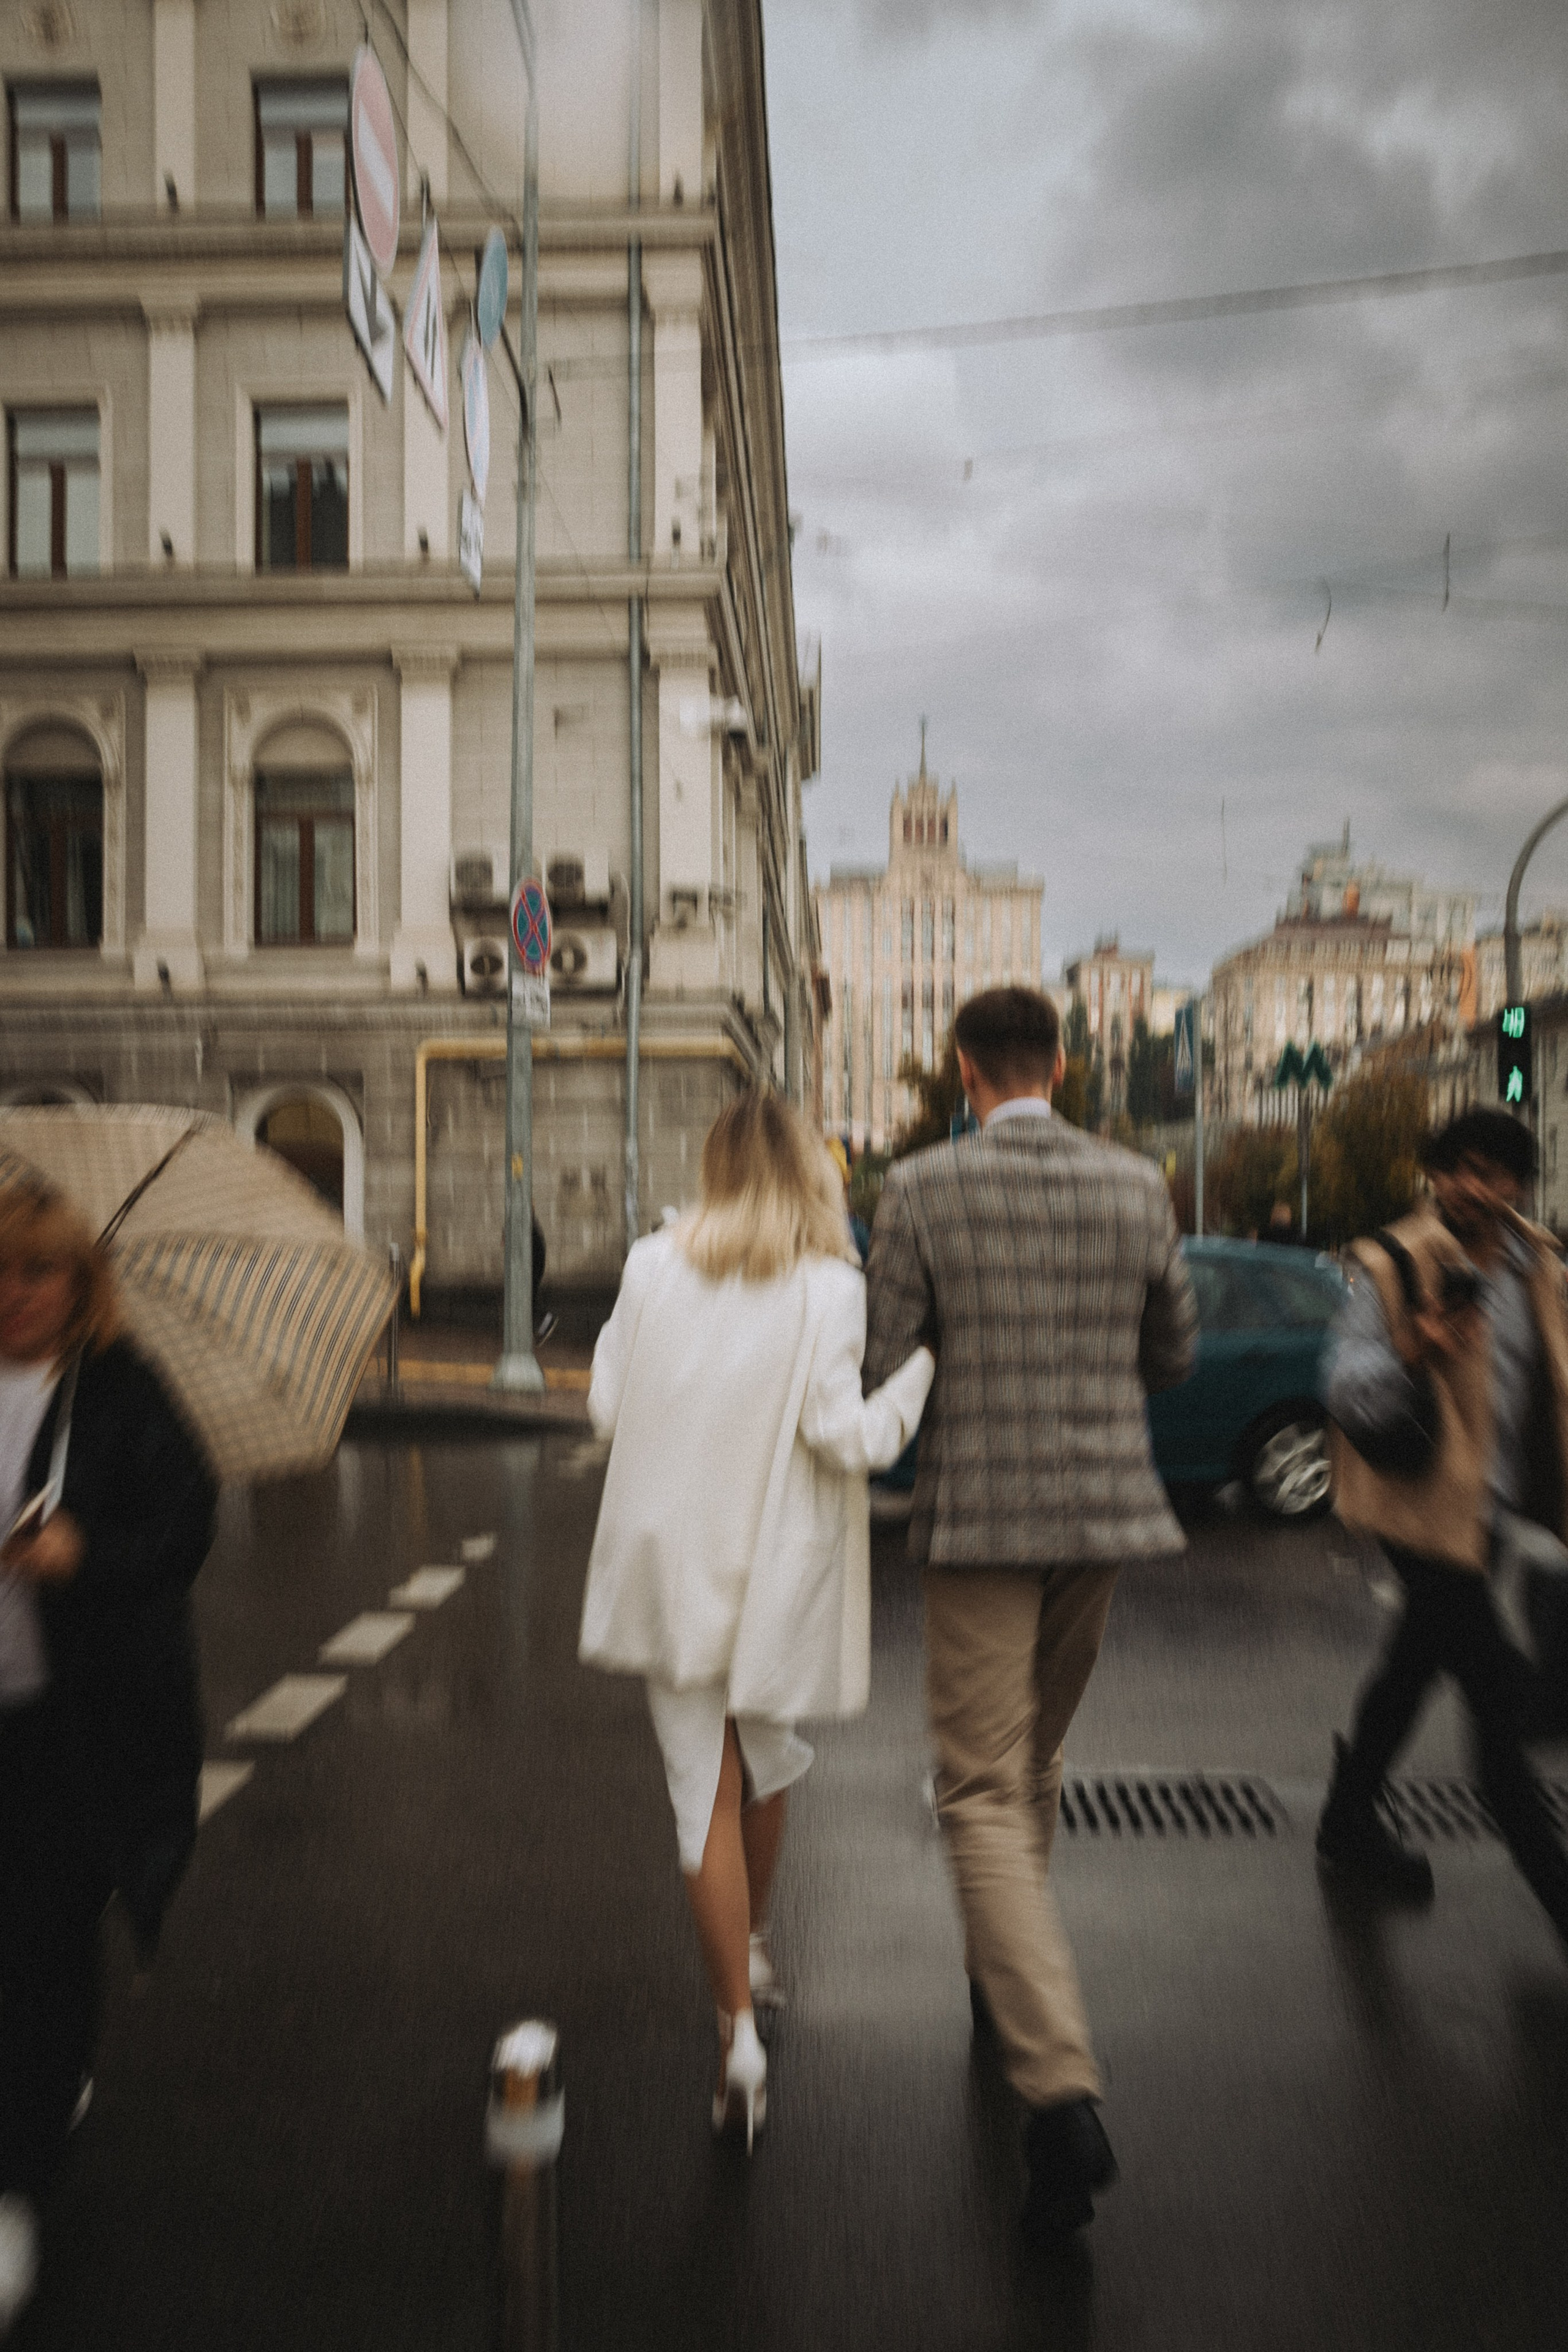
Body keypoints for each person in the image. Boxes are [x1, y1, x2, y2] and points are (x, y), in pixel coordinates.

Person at [863, 986, 1197, 2245]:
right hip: (1100, 1518)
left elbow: (882, 1359)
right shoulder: (1134, 1185)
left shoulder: (919, 1191)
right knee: (1034, 1761)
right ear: (1059, 1064)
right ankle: (1000, 1974)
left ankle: (1053, 2084)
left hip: (983, 1523)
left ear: (963, 1071)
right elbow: (1171, 1357)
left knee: (977, 1791)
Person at [579, 1091, 934, 2152]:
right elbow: (847, 1438)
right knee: (770, 1760)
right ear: (813, 1175)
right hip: (774, 1571)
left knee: (707, 1795)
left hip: (668, 1566)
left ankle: (737, 2030)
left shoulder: (650, 1264)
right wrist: (919, 1375)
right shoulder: (833, 1287)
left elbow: (605, 1405)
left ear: (715, 1165)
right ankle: (755, 1949)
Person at [0, 1184, 217, 2338]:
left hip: (65, 1727)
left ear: (82, 1284)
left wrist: (85, 1552)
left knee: (38, 1945)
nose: (15, 1294)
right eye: (0, 1272)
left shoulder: (118, 1393)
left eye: (38, 1273)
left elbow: (186, 1525)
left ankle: (19, 2182)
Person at [1318, 1108, 1568, 1944]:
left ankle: (1348, 1817)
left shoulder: (1542, 1266)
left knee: (1412, 1666)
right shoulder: (1392, 1261)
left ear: (1518, 1185)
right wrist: (1413, 1348)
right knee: (1498, 1707)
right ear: (1435, 1174)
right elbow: (1346, 1387)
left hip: (1493, 1512)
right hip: (1420, 1509)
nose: (1474, 1189)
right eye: (1458, 1169)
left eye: (1494, 1173)